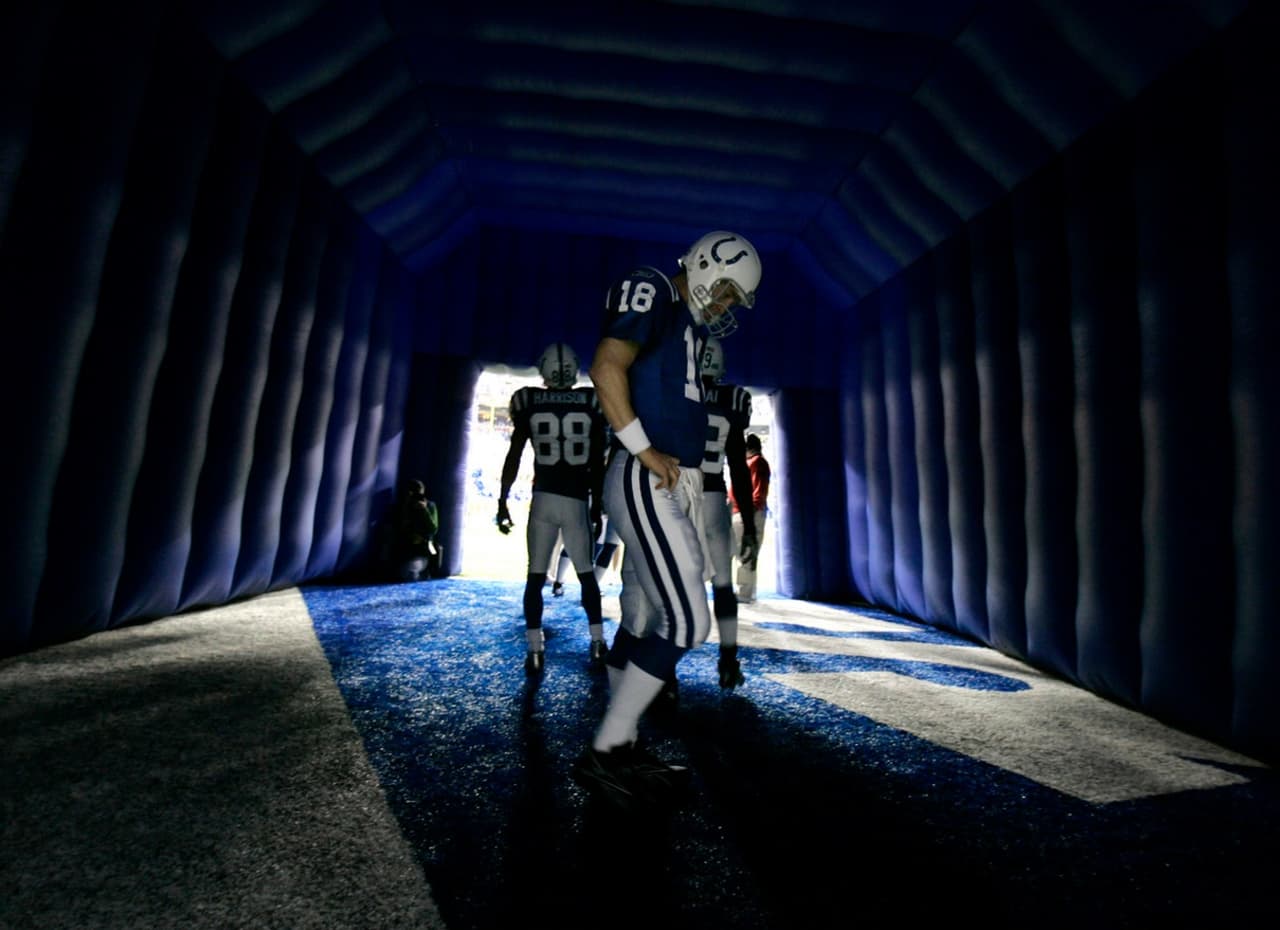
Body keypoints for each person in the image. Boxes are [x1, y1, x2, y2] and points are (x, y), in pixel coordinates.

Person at [571, 230, 762, 809]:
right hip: (646, 475)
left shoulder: (684, 323)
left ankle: (622, 741)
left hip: (666, 482)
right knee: (689, 623)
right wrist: (643, 449)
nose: (726, 304)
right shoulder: (652, 286)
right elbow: (607, 368)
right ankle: (604, 751)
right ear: (705, 264)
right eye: (727, 290)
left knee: (644, 622)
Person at [495, 342, 608, 673]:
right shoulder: (590, 401)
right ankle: (598, 642)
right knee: (587, 577)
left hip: (543, 499)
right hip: (575, 499)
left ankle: (534, 649)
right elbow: (598, 464)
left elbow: (514, 455)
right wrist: (597, 504)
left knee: (534, 577)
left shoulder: (528, 402)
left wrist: (503, 500)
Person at [698, 336, 757, 688]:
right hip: (714, 499)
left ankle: (666, 673)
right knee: (722, 586)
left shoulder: (677, 393)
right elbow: (737, 467)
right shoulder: (732, 400)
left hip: (682, 498)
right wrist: (747, 524)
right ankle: (727, 660)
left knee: (674, 586)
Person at [730, 432, 772, 604]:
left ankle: (744, 592)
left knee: (745, 552)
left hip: (747, 513)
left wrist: (750, 510)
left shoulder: (756, 463)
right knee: (744, 551)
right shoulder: (753, 463)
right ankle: (746, 591)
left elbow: (758, 491)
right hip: (743, 511)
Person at [383, 478, 442, 581]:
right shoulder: (402, 507)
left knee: (409, 573)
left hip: (421, 551)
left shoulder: (430, 506)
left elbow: (433, 529)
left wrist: (424, 511)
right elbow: (400, 527)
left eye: (419, 495)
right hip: (403, 549)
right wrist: (406, 506)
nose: (416, 498)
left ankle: (423, 573)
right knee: (394, 573)